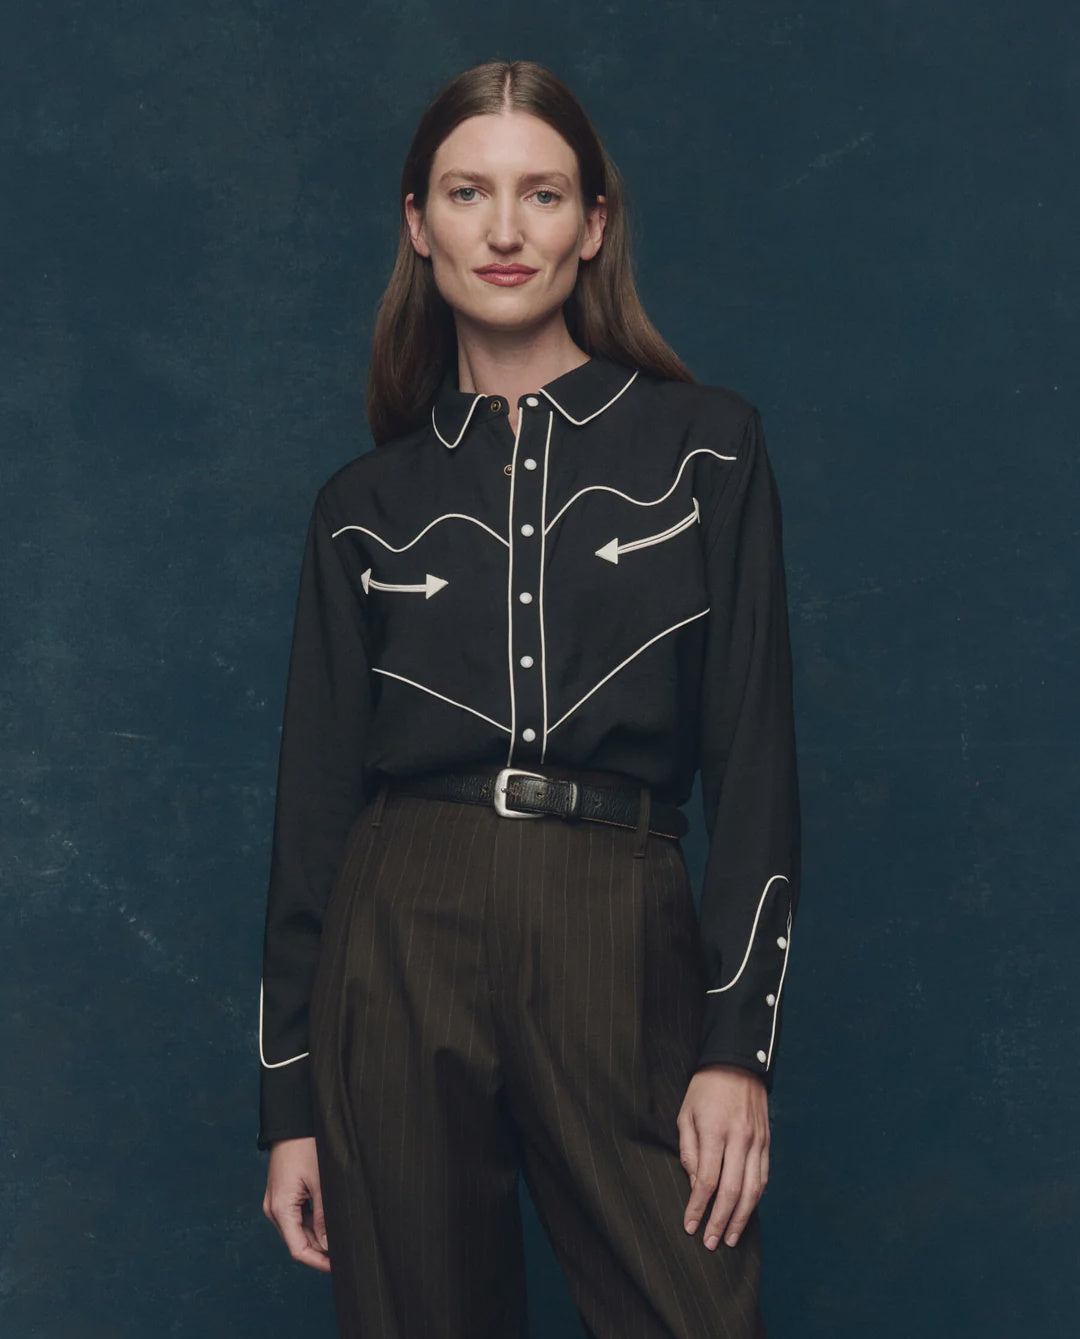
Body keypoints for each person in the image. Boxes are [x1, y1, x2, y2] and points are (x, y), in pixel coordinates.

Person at [257, 58, 800, 1339]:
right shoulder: (360, 510)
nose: (505, 230)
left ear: (593, 223)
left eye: (542, 194)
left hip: (617, 921)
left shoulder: (708, 447)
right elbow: (312, 823)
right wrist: (291, 1107)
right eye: (468, 192)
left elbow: (758, 763)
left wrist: (737, 1049)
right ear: (418, 221)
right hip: (399, 931)